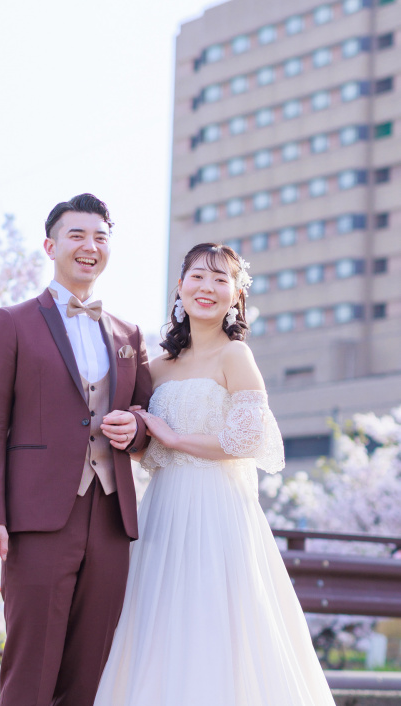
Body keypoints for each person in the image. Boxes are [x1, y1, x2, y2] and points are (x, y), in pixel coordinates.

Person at [93, 242, 335, 706]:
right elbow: (140, 443)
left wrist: (176, 437)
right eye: (198, 277)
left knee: (216, 621)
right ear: (179, 288)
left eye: (221, 279)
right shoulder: (154, 366)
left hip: (219, 510)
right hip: (163, 510)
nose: (208, 287)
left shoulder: (235, 356)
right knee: (158, 621)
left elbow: (248, 441)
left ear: (236, 296)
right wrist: (140, 433)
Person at [0, 193, 153, 706]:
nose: (89, 246)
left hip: (112, 519)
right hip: (39, 519)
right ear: (50, 246)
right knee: (31, 671)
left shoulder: (128, 334)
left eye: (100, 236)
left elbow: (146, 418)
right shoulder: (10, 322)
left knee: (90, 673)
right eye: (77, 235)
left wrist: (132, 429)